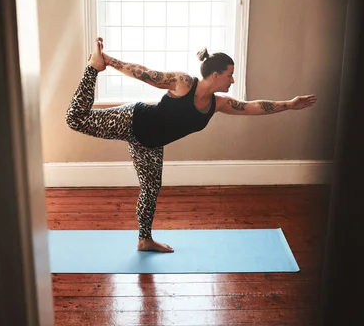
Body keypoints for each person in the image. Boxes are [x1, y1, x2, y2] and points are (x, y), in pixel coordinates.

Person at [66, 37, 317, 253]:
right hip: (132, 120)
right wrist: (107, 61)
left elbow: (253, 107)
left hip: (150, 144)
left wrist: (289, 104)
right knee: (74, 119)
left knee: (151, 189)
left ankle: (144, 239)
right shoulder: (183, 83)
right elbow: (144, 73)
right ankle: (92, 68)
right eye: (230, 74)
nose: (232, 79)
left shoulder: (217, 104)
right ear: (216, 74)